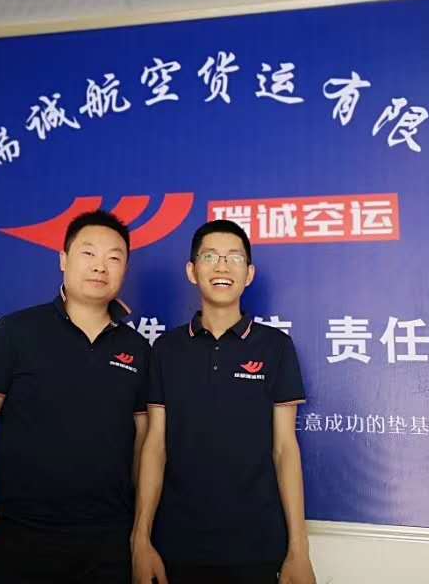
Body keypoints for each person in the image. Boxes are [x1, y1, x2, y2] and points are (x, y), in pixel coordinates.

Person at [0, 210, 150, 584]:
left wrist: (137, 535)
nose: (100, 266)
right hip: (19, 538)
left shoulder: (138, 349)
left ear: (125, 269)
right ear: (63, 259)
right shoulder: (14, 333)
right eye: (88, 253)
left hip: (108, 545)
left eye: (114, 257)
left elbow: (143, 447)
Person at [132, 219, 316, 584]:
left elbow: (285, 449)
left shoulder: (276, 347)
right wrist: (141, 539)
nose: (222, 266)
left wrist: (299, 549)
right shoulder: (166, 349)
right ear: (192, 270)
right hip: (176, 543)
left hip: (257, 545)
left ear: (249, 274)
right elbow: (154, 446)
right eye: (210, 256)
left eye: (234, 257)